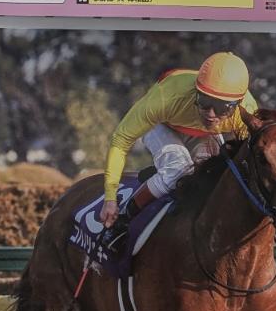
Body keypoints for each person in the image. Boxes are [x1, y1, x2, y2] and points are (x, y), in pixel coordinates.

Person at [100, 52, 257, 244]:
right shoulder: (167, 96)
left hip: (203, 134)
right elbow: (121, 139)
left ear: (238, 105)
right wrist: (110, 198)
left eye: (221, 108)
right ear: (196, 91)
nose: (210, 114)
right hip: (162, 125)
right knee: (178, 167)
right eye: (204, 102)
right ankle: (123, 219)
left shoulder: (247, 111)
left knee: (212, 175)